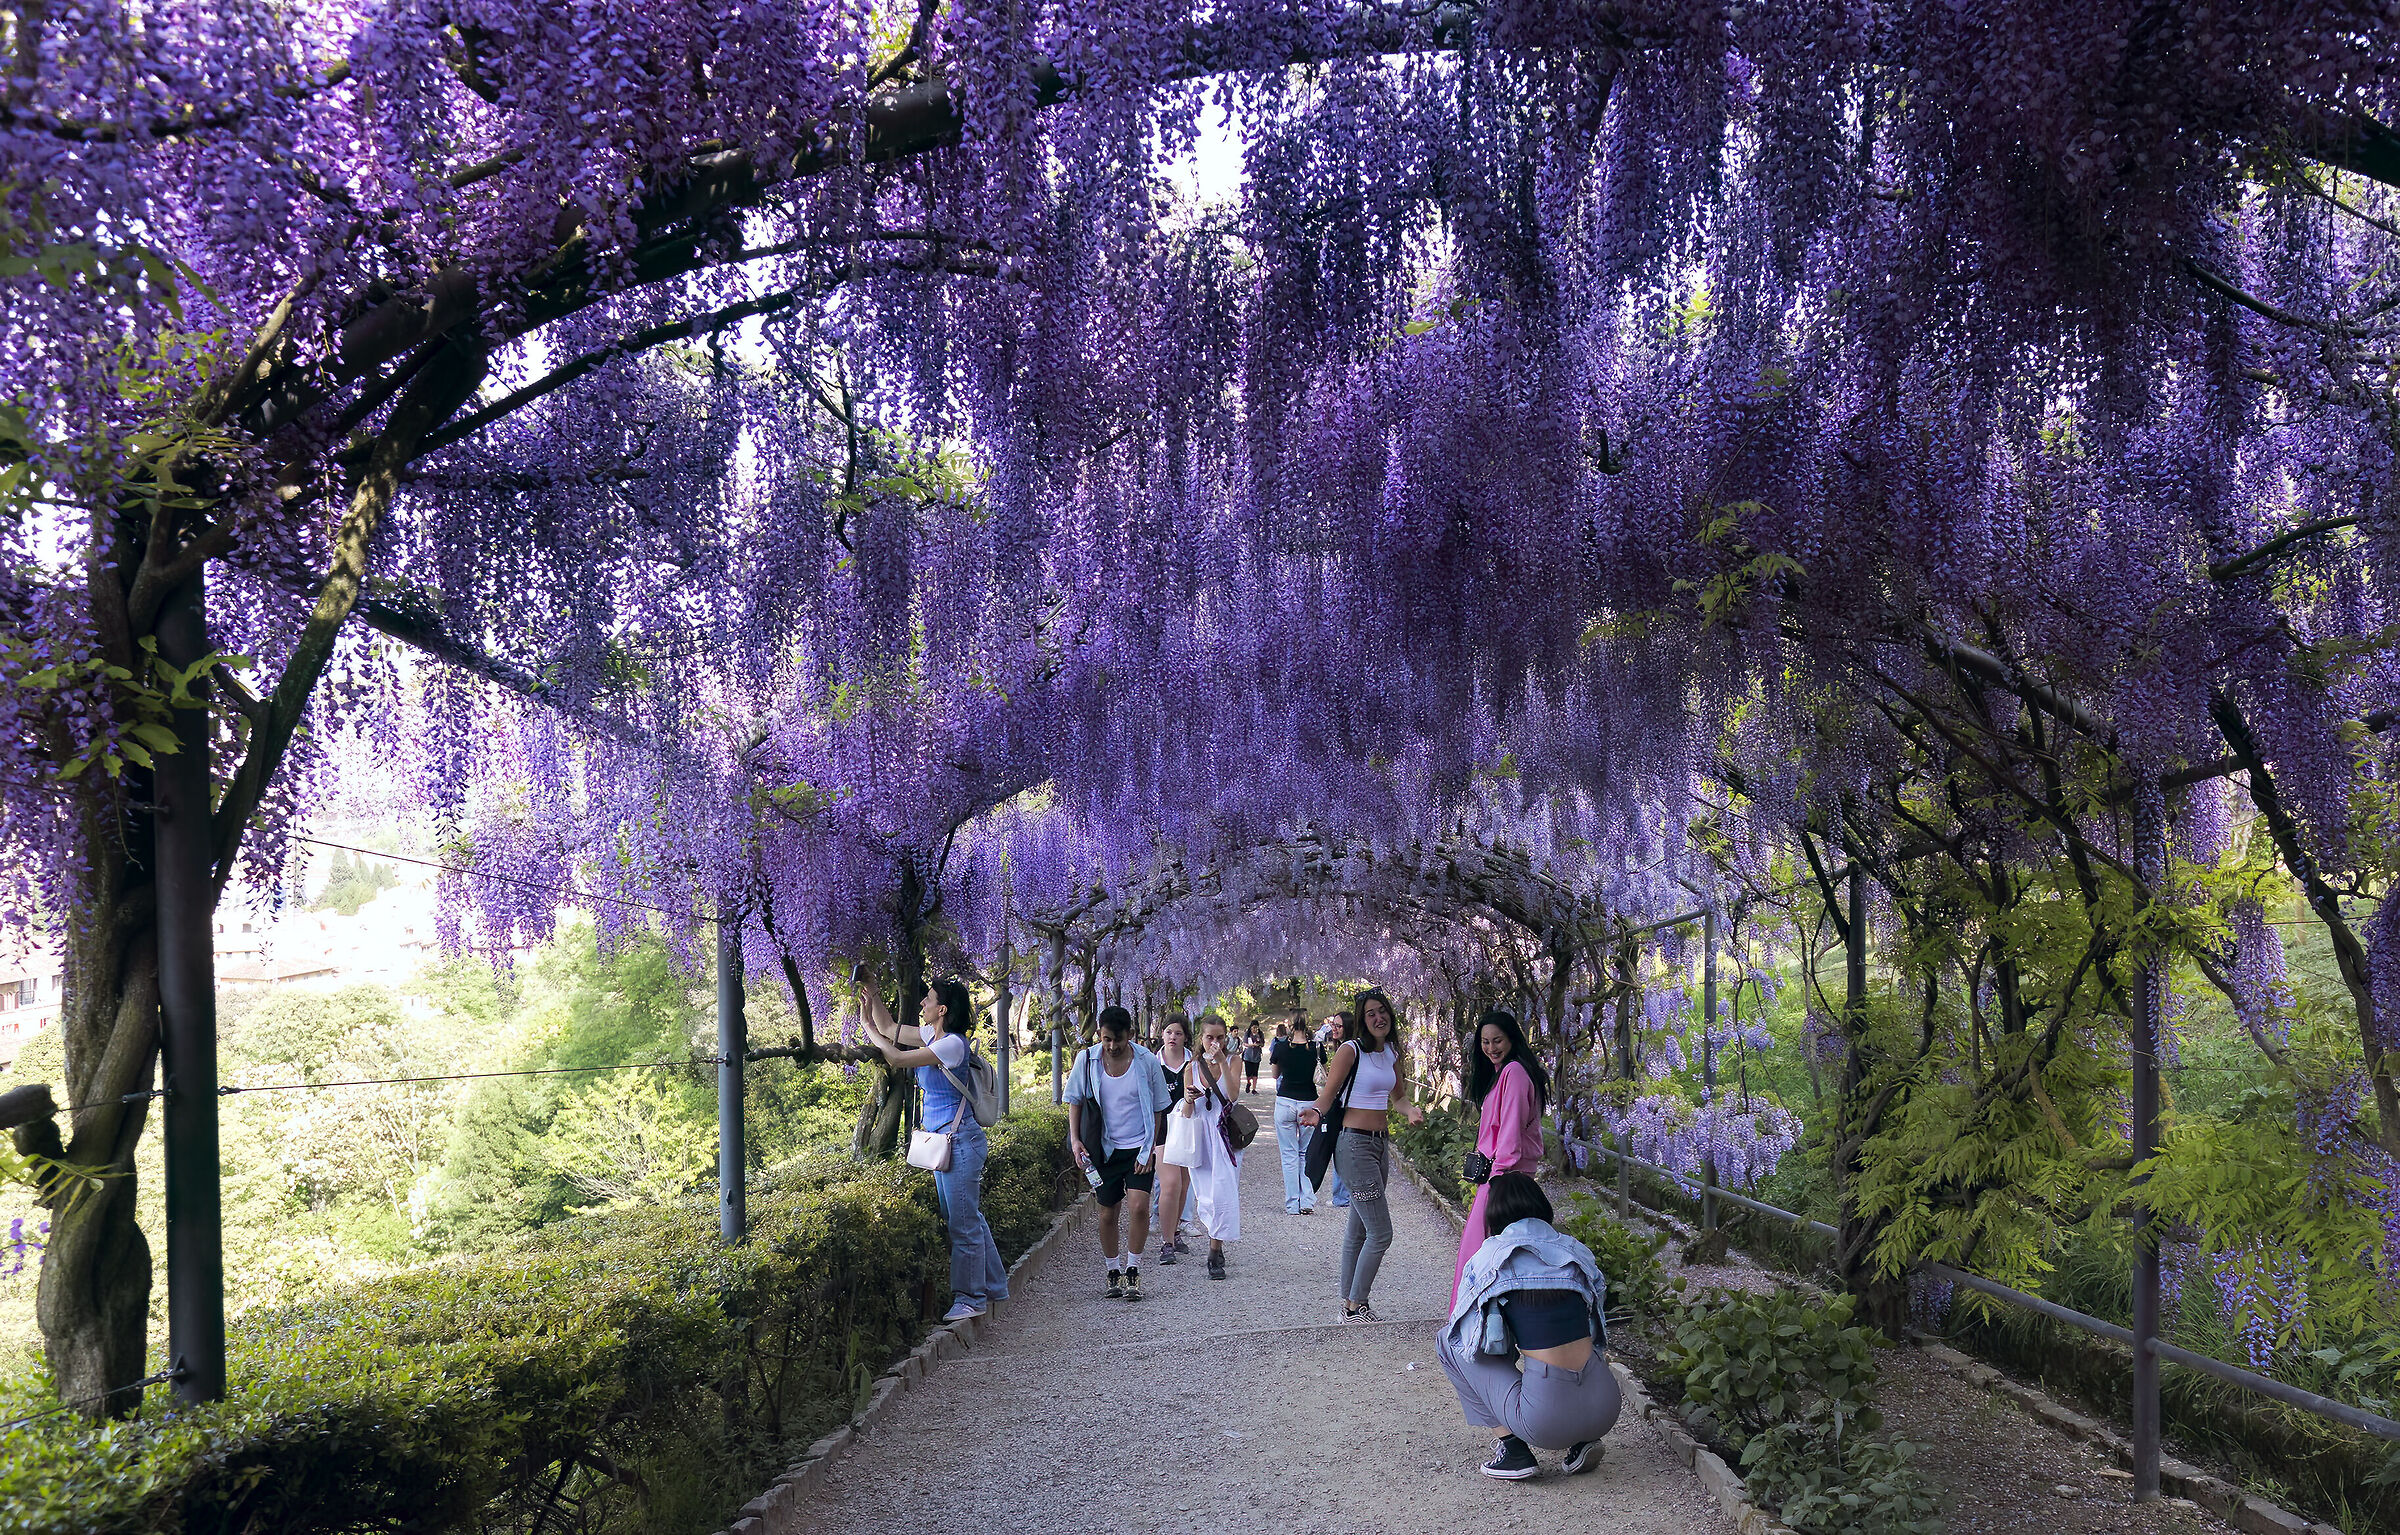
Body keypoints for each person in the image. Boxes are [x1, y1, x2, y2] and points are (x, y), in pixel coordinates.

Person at [1440, 1173, 1618, 1480]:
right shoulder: (1576, 1251)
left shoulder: (1491, 1256)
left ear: (1494, 1212)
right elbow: (1596, 1323)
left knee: (1448, 1341)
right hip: (1605, 1406)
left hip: (1545, 1419)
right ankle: (1582, 1442)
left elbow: (1469, 1338)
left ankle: (1514, 1451)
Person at [858, 970, 1009, 1322]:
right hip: (945, 1142)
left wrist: (866, 1027)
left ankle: (970, 1298)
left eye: (928, 998)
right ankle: (995, 1285)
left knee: (963, 1224)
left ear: (942, 1010)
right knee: (968, 1217)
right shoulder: (931, 1035)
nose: (922, 1003)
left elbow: (895, 1057)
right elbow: (891, 1026)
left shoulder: (952, 1044)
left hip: (960, 1143)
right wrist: (872, 990)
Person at [1299, 988, 1424, 1319]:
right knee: (1381, 1232)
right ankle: (1356, 1304)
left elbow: (1398, 1098)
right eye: (1371, 1014)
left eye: (1382, 1011)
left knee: (1358, 1228)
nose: (1379, 1017)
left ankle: (1348, 1305)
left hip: (1379, 1145)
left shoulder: (1391, 1053)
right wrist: (1314, 1111)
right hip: (1354, 1145)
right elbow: (1328, 1095)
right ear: (1362, 1020)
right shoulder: (1349, 1050)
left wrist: (1409, 1111)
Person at [1063, 1004, 1174, 1300]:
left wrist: (1149, 1147)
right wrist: (1075, 1140)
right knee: (1107, 1213)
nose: (1111, 1046)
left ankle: (1133, 1270)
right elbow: (1075, 1100)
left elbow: (1158, 1107)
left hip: (1138, 1147)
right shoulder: (1086, 1060)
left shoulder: (1146, 1061)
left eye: (1118, 1040)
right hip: (1105, 1148)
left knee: (1139, 1207)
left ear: (1130, 1035)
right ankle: (1113, 1270)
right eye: (1106, 1039)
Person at [1454, 1008, 1551, 1304]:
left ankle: (1472, 1321)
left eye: (1497, 1041)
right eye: (1485, 1042)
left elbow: (1509, 1131)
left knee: (1481, 1252)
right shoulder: (1504, 1073)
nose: (1491, 1048)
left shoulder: (1514, 1073)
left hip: (1505, 1176)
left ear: (1511, 1039)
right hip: (1500, 1175)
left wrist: (1497, 1181)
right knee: (1494, 1255)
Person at [1178, 1012, 1245, 1278]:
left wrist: (1222, 1063)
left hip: (1226, 1137)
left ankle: (1214, 1251)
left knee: (1222, 1194)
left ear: (1225, 1037)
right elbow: (1186, 1113)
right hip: (1202, 1138)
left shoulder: (1234, 1060)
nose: (1214, 1042)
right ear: (1201, 1038)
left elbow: (1234, 1094)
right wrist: (1189, 1098)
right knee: (1205, 1197)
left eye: (1219, 1037)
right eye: (1209, 1037)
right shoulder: (1190, 1068)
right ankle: (1216, 1237)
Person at [1152, 1012, 1198, 1262]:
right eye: (1169, 1032)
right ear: (1162, 1034)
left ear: (1185, 1037)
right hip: (1162, 1131)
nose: (1173, 1037)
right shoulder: (1152, 1063)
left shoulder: (1194, 1062)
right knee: (1170, 1185)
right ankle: (1166, 1242)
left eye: (1178, 1033)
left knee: (1183, 1186)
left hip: (1189, 1129)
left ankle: (1175, 1231)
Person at [1268, 1014, 1322, 1214]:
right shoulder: (1317, 1047)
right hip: (1309, 1102)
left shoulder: (1281, 1047)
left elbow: (1275, 1075)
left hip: (1285, 1103)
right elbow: (1322, 1072)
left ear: (1290, 1026)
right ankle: (1307, 1200)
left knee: (1289, 1155)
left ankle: (1292, 1204)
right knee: (1305, 1153)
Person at [1315, 1012, 1352, 1208]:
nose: (1334, 1029)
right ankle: (1341, 1195)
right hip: (1342, 1105)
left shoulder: (1348, 1049)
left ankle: (1342, 1197)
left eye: (1339, 1025)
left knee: (1339, 1149)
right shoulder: (1344, 1048)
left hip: (1343, 1106)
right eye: (1333, 1025)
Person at [1241, 1025, 1264, 1095]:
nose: (1255, 1029)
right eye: (1253, 1028)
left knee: (1255, 1073)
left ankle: (1254, 1089)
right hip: (1248, 1056)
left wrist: (1259, 1044)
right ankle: (1248, 1083)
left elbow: (1263, 1044)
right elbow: (1244, 1043)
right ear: (1251, 1028)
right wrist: (1251, 1045)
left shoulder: (1260, 1034)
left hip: (1256, 1056)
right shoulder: (1247, 1034)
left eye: (1256, 1028)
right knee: (1248, 1073)